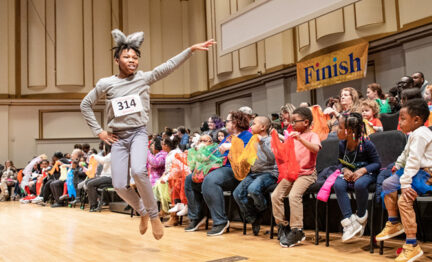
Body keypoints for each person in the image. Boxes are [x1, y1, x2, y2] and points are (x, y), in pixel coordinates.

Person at [80, 28, 215, 239]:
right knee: (118, 185)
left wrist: (190, 50)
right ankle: (142, 211)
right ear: (116, 60)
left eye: (135, 57)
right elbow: (85, 104)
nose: (132, 60)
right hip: (117, 137)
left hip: (138, 133)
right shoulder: (106, 83)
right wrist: (99, 132)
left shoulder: (144, 78)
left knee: (139, 171)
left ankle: (153, 216)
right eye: (127, 57)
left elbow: (168, 66)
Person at [376, 99, 431, 262]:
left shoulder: (421, 134)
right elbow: (405, 154)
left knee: (404, 201)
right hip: (416, 172)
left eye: (403, 119)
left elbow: (414, 161)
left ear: (417, 119)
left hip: (426, 175)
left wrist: (405, 184)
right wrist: (399, 164)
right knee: (387, 184)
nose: (399, 122)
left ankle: (412, 245)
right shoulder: (414, 133)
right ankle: (393, 222)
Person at [271, 107, 321, 248]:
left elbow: (315, 149)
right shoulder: (292, 135)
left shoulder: (312, 135)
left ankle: (297, 230)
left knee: (294, 196)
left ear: (306, 122)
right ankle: (282, 226)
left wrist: (299, 139)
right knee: (275, 195)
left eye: (294, 121)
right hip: (292, 173)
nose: (291, 124)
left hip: (307, 173)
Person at [333, 113, 381, 242]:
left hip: (367, 174)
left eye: (341, 127)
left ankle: (361, 216)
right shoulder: (342, 145)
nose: (338, 130)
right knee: (338, 184)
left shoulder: (367, 144)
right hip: (349, 173)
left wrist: (363, 170)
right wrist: (344, 169)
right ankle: (349, 222)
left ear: (351, 131)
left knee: (360, 184)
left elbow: (377, 163)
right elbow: (339, 162)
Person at [233, 116, 278, 236]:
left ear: (263, 127)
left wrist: (262, 143)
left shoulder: (270, 140)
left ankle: (263, 209)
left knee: (253, 189)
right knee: (237, 193)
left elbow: (272, 157)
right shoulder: (253, 141)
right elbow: (249, 158)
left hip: (269, 173)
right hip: (254, 173)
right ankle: (253, 218)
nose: (251, 126)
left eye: (254, 124)